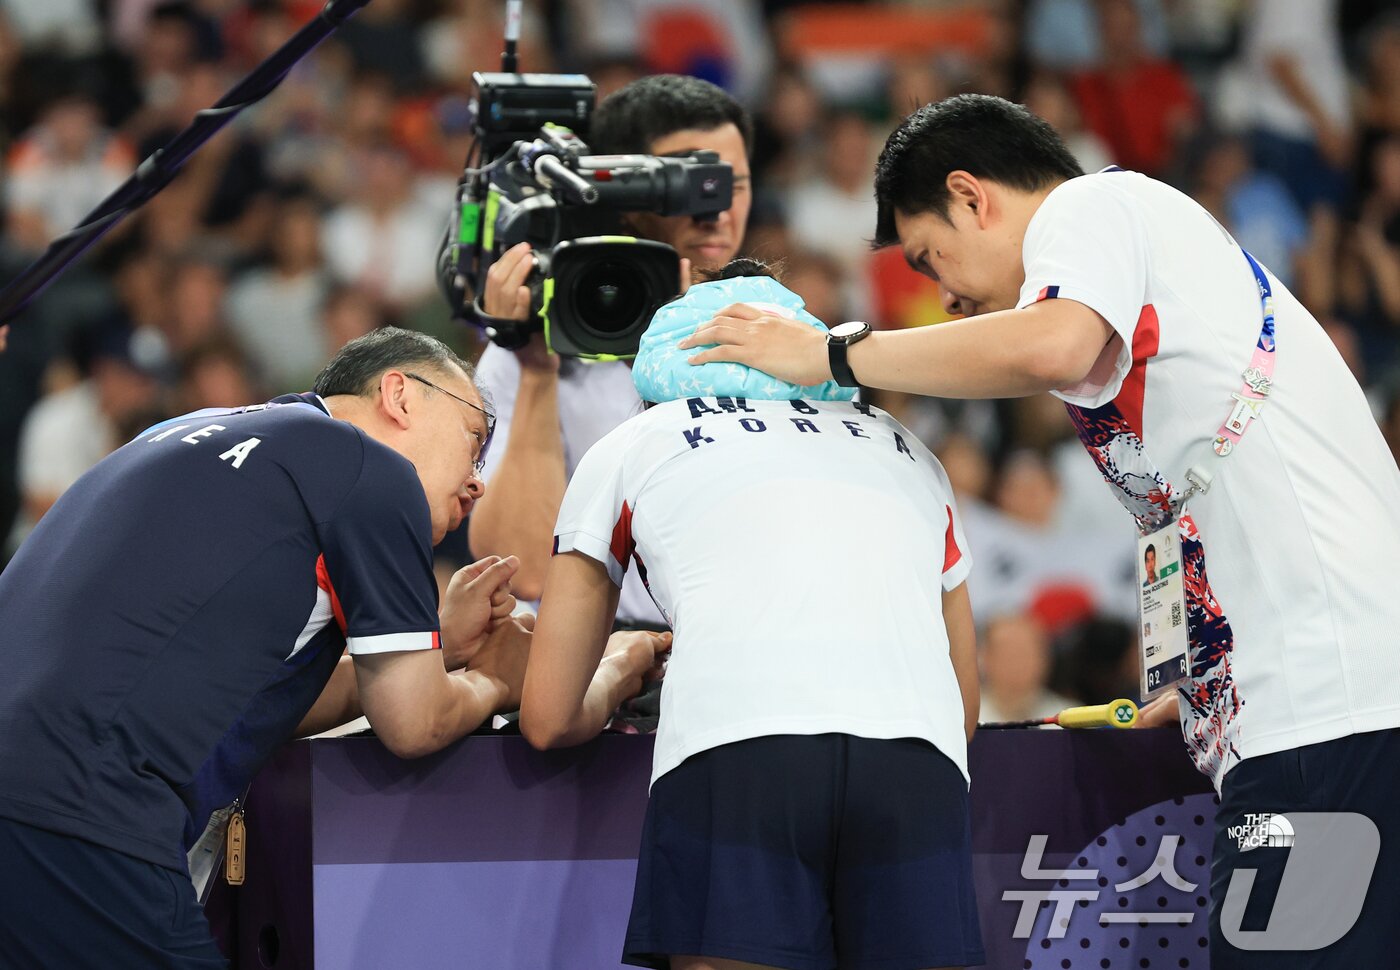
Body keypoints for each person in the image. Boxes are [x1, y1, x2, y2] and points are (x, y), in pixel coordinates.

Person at [678, 93, 1400, 968]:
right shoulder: (1143, 253)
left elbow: (1051, 345)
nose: (944, 296)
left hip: (1330, 714)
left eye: (930, 257)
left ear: (973, 196)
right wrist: (1210, 670)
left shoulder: (1092, 205)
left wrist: (834, 353)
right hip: (1311, 710)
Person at [0, 327, 544, 968]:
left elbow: (243, 699)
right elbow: (414, 722)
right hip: (86, 813)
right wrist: (499, 680)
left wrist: (443, 651)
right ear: (399, 396)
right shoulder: (372, 468)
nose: (477, 481)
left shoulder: (187, 432)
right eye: (475, 440)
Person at [520, 263, 984, 970]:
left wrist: (622, 669)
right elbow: (965, 705)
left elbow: (549, 717)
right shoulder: (906, 446)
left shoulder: (632, 444)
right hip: (917, 762)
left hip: (735, 748)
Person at [467, 74, 753, 621]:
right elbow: (525, 567)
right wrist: (535, 374)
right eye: (684, 182)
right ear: (618, 190)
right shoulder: (536, 343)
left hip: (730, 648)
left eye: (729, 184)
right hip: (594, 666)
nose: (713, 210)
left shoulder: (776, 331)